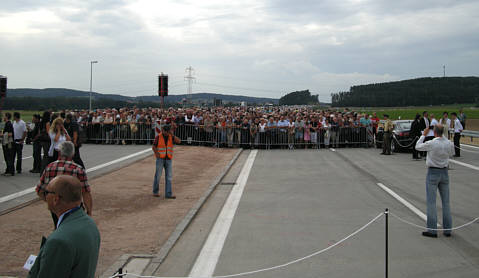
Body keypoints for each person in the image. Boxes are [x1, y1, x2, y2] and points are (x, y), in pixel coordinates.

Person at [27, 175, 100, 278]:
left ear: (56, 199)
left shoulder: (58, 241)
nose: (45, 197)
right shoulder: (89, 223)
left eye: (47, 193)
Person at [37, 141, 93, 228]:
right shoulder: (78, 169)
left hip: (56, 204)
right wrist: (89, 211)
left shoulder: (50, 167)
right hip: (73, 206)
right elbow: (86, 192)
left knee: (58, 226)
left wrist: (49, 201)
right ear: (73, 153)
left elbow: (39, 190)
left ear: (59, 152)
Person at [415, 124, 454, 238]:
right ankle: (447, 229)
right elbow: (452, 153)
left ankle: (432, 230)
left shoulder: (432, 143)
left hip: (433, 172)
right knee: (446, 202)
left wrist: (423, 135)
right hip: (444, 172)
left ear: (435, 132)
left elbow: (418, 146)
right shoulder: (448, 143)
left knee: (431, 202)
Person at [152, 125, 181, 198]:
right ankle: (155, 191)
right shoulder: (158, 137)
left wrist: (173, 135)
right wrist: (157, 154)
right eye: (166, 131)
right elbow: (154, 146)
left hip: (168, 159)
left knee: (169, 177)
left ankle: (168, 194)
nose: (167, 133)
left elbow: (179, 141)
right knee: (158, 176)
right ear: (163, 130)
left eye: (168, 132)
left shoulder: (171, 136)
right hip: (160, 159)